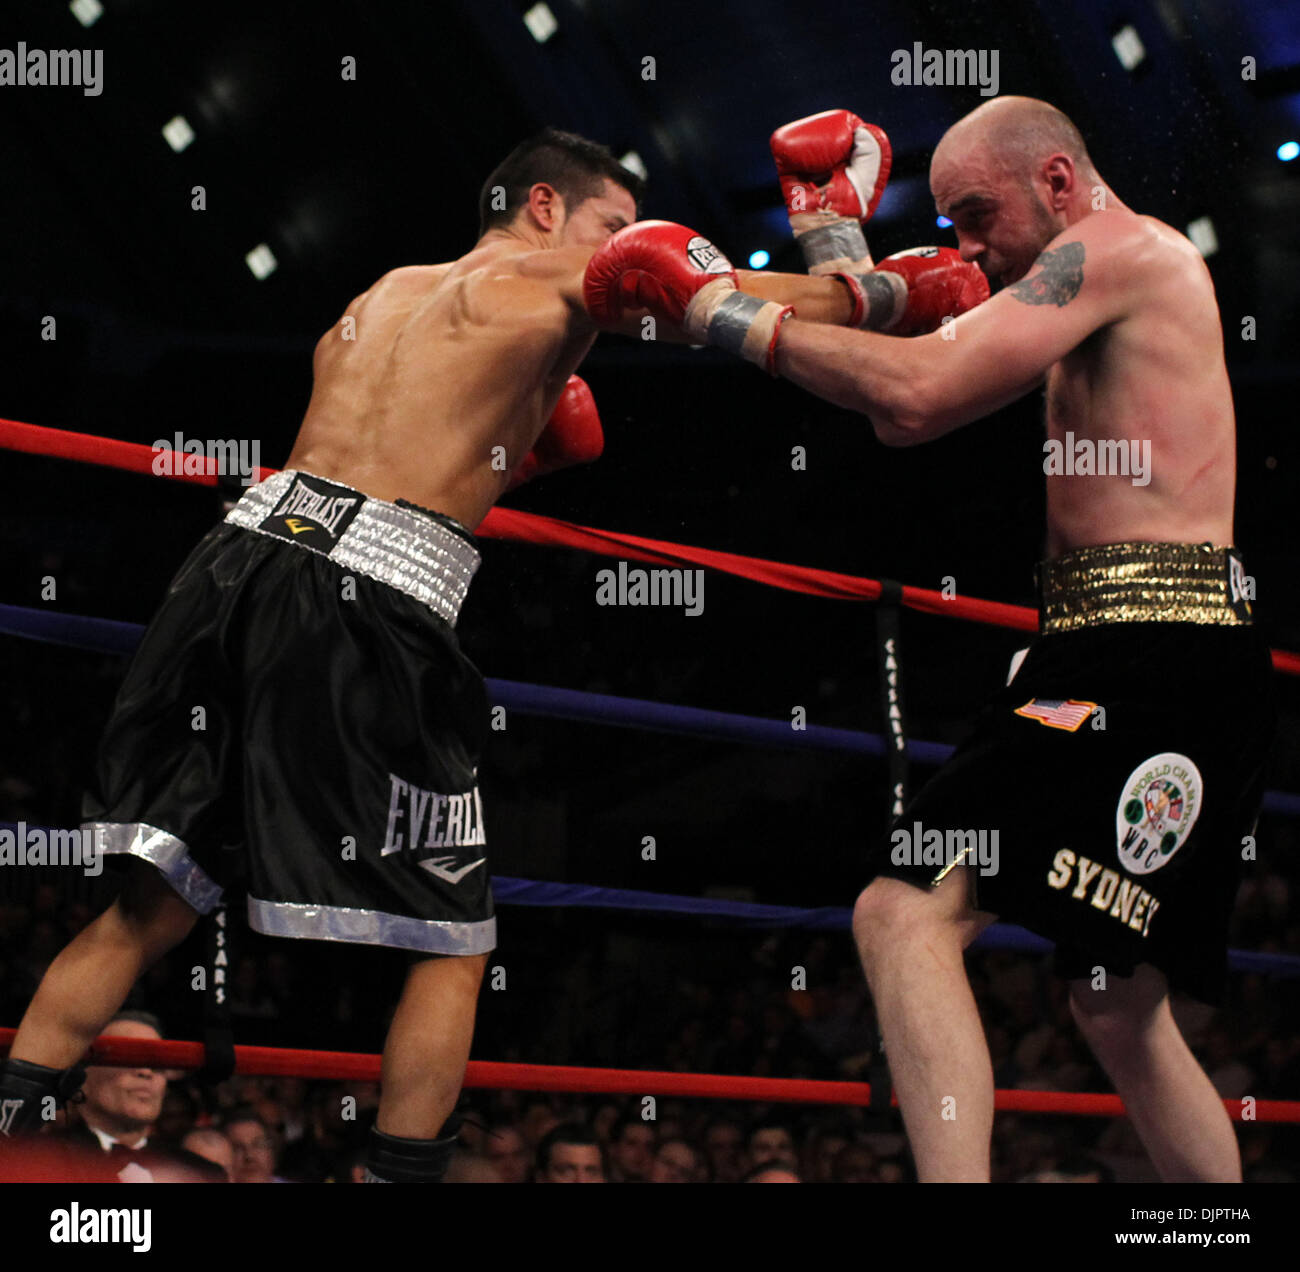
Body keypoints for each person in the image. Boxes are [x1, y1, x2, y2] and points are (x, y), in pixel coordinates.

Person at [0, 123, 981, 1183]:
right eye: (607, 221)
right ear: (546, 208)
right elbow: (754, 310)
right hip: (364, 599)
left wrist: (517, 444)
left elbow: (401, 453)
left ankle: (13, 1136)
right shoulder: (562, 274)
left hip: (237, 562)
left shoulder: (384, 294)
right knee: (454, 944)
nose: (618, 243)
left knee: (148, 905)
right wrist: (881, 279)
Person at [581, 96, 1276, 1184]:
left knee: (903, 911)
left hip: (1138, 650)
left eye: (972, 214)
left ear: (1055, 181)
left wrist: (717, 310)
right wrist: (833, 248)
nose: (964, 244)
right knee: (1116, 1006)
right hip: (1173, 654)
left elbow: (915, 398)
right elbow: (906, 379)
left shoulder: (1116, 251)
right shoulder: (1107, 270)